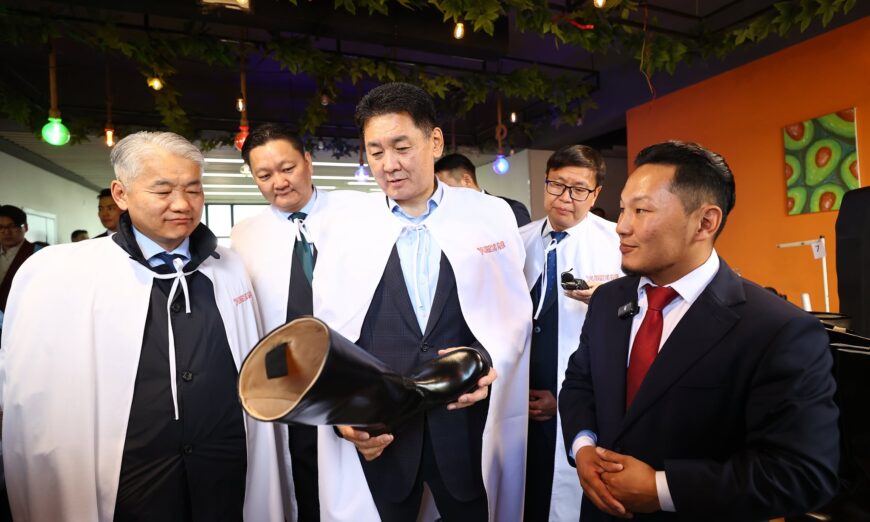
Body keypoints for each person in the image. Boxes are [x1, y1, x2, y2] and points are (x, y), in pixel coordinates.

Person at [0, 131, 282, 521]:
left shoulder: (230, 267)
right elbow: (37, 399)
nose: (182, 204)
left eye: (194, 190)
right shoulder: (67, 274)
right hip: (129, 474)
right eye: (163, 191)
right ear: (121, 194)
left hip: (225, 467)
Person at [559, 141, 840, 521]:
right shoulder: (608, 300)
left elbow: (802, 473)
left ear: (705, 222)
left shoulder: (777, 329)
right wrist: (583, 447)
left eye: (641, 210)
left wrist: (661, 489)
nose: (622, 226)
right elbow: (580, 383)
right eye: (623, 208)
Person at [311, 82, 531, 521]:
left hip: (465, 423)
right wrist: (340, 411)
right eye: (375, 151)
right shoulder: (343, 227)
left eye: (401, 147)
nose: (388, 165)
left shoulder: (489, 216)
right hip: (384, 432)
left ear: (435, 141)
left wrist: (486, 362)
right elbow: (330, 331)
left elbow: (510, 312)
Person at [231, 123, 330, 521]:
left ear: (307, 161)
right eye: (264, 175)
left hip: (349, 363)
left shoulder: (358, 214)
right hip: (287, 375)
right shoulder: (244, 235)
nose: (279, 182)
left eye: (287, 168)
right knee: (302, 467)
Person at [519, 145, 622, 521]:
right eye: (557, 185)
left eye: (578, 189)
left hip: (577, 397)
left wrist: (607, 300)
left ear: (595, 194)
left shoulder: (618, 245)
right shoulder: (518, 240)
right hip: (519, 399)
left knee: (569, 499)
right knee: (523, 495)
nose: (565, 198)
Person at [435, 153, 531, 226]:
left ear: (467, 180)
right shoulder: (450, 221)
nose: (442, 194)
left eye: (445, 188)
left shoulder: (511, 209)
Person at [0, 205, 35, 318]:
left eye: (13, 226)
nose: (6, 232)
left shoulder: (38, 253)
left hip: (23, 317)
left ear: (26, 227)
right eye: (0, 227)